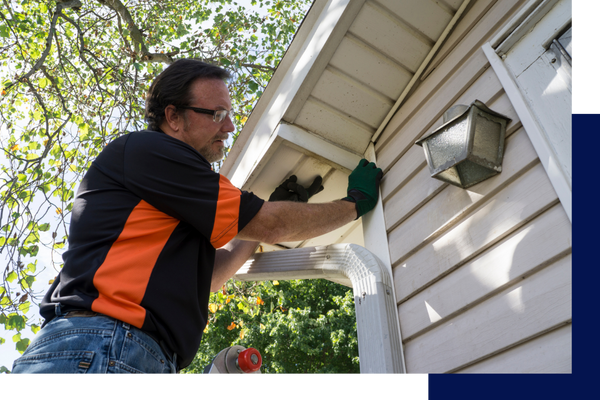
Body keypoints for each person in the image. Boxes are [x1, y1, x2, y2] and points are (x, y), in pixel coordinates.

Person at [11, 59, 382, 377]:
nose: (229, 127)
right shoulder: (149, 151)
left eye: (230, 115)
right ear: (173, 116)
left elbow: (210, 279)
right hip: (104, 344)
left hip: (111, 349)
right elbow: (272, 223)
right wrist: (353, 204)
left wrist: (259, 221)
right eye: (217, 114)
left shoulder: (170, 202)